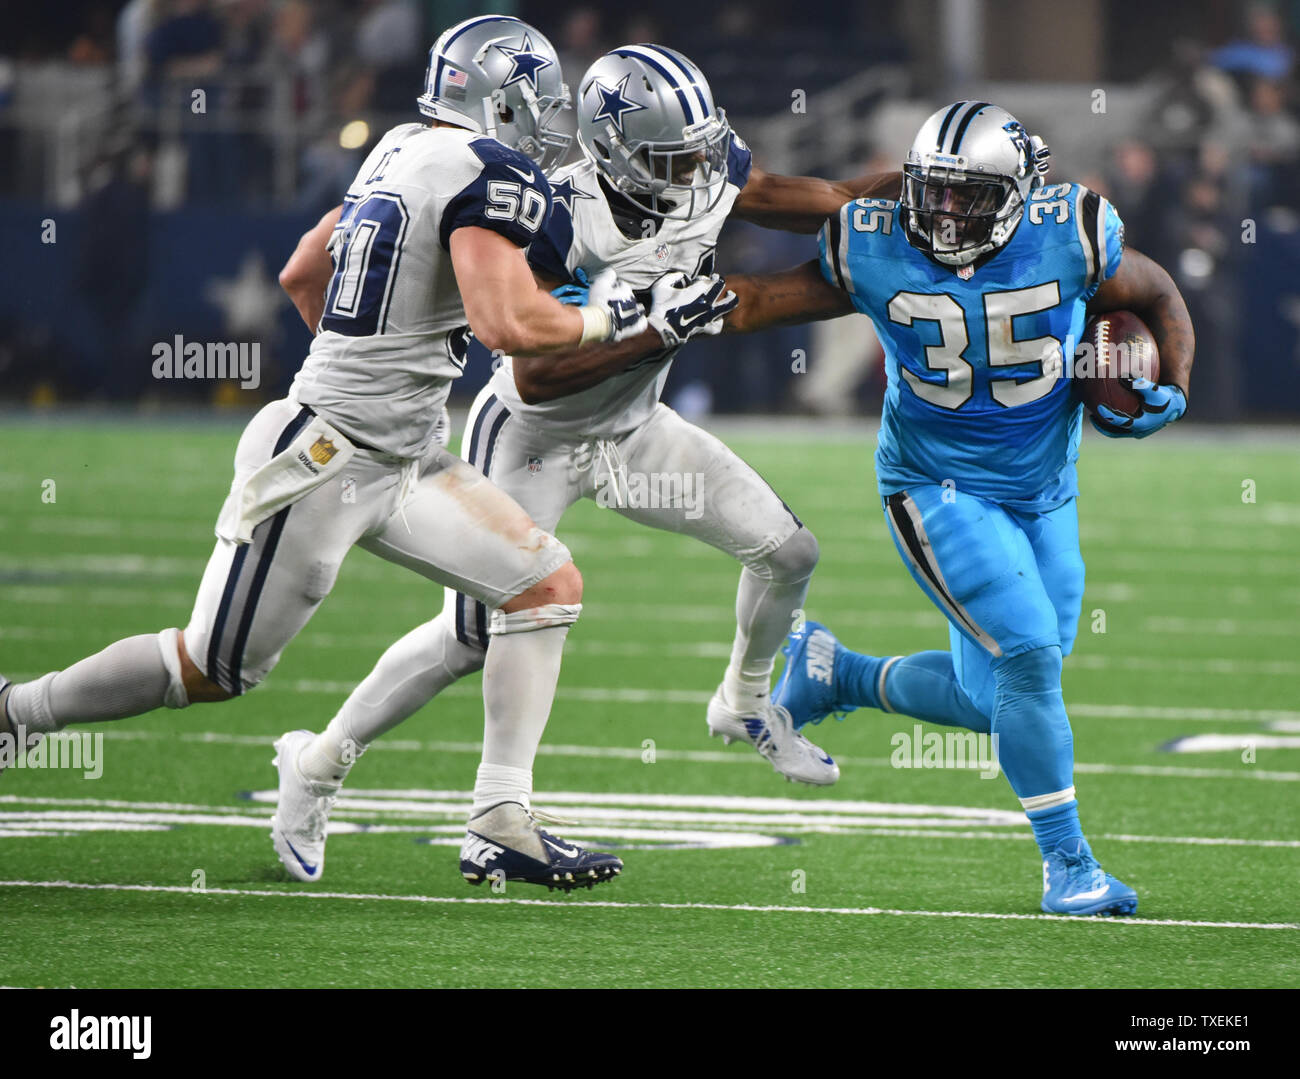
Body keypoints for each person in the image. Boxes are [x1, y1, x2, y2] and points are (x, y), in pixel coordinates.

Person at [0, 15, 660, 894]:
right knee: (211, 669)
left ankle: (501, 818)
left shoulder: (398, 147)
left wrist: (373, 372)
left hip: (406, 455)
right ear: (497, 100)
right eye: (534, 103)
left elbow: (303, 271)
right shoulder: (488, 170)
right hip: (328, 458)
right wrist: (624, 316)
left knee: (543, 586)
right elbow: (510, 327)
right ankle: (17, 710)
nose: (544, 123)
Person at [271, 43, 900, 880]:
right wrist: (655, 327)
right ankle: (318, 767)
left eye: (701, 152)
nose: (694, 174)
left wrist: (906, 196)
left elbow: (806, 199)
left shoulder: (706, 166)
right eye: (672, 158)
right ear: (613, 153)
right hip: (533, 436)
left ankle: (745, 702)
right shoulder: (552, 209)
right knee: (470, 637)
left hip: (636, 431)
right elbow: (536, 369)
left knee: (790, 552)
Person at [721, 102, 1194, 916]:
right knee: (1029, 656)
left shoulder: (1072, 230)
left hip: (1046, 487)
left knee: (999, 695)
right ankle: (1069, 867)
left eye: (963, 197)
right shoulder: (875, 240)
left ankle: (840, 673)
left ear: (1015, 195)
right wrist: (649, 299)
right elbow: (763, 298)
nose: (941, 215)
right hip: (936, 487)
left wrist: (1175, 388)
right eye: (931, 192)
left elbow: (1157, 292)